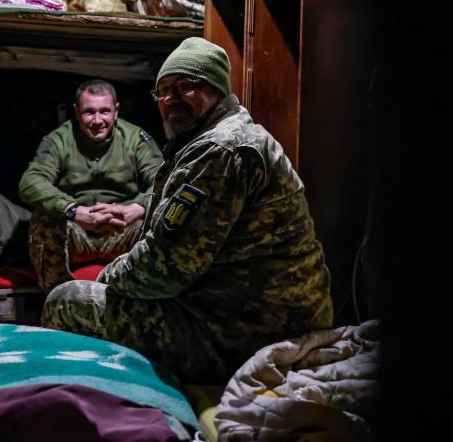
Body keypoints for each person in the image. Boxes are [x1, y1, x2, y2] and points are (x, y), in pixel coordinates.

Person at [41, 37, 333, 384]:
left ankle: (86, 403)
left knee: (68, 301)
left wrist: (106, 277)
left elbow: (164, 269)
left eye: (186, 86)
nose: (170, 100)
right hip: (247, 312)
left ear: (216, 89)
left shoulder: (221, 149)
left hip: (244, 332)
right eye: (163, 91)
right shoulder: (211, 139)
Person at [18, 79, 164, 291]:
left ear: (116, 111)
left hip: (121, 231)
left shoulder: (136, 139)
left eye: (104, 111)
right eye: (89, 112)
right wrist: (74, 211)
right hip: (78, 233)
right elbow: (30, 182)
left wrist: (138, 207)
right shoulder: (59, 139)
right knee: (44, 217)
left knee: (159, 216)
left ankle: (144, 298)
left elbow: (164, 180)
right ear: (76, 112)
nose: (97, 120)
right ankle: (57, 298)